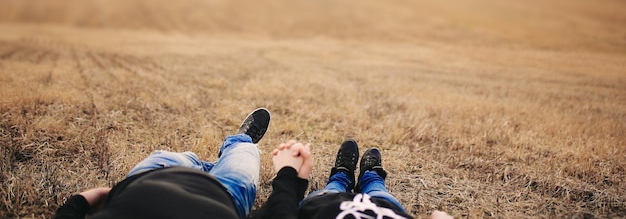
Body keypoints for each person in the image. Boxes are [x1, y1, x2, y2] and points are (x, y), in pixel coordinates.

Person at [53, 108, 273, 219]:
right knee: (246, 151)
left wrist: (109, 196)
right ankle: (239, 142)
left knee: (179, 156)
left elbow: (73, 208)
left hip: (150, 176)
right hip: (227, 195)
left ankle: (198, 162)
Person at [254, 139, 452, 219]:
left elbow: (278, 213)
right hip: (386, 209)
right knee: (377, 188)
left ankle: (343, 173)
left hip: (324, 204)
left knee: (335, 186)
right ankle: (370, 174)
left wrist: (290, 175)